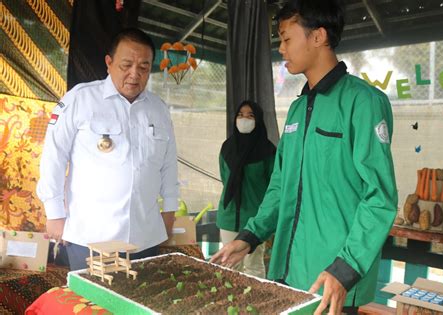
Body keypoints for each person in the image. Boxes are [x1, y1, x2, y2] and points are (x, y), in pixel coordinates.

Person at [210, 1, 398, 314]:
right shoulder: (297, 110)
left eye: (286, 38)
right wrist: (250, 236)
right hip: (286, 271)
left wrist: (346, 268)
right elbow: (280, 186)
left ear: (318, 36)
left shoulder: (363, 103)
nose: (281, 48)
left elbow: (380, 198)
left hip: (330, 278)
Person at [37, 28, 179, 270]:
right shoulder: (79, 100)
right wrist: (54, 213)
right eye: (126, 65)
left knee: (139, 302)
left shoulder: (159, 109)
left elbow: (168, 164)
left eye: (144, 67)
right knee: (93, 306)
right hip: (91, 236)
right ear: (109, 63)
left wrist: (170, 210)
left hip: (145, 235)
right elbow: (54, 157)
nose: (135, 74)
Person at [217, 100, 276, 278]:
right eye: (240, 115)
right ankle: (229, 304)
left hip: (255, 220)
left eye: (250, 116)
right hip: (228, 218)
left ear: (258, 120)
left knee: (253, 267)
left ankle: (256, 304)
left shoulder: (267, 151)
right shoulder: (227, 148)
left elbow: (274, 186)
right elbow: (224, 178)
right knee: (228, 266)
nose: (244, 119)